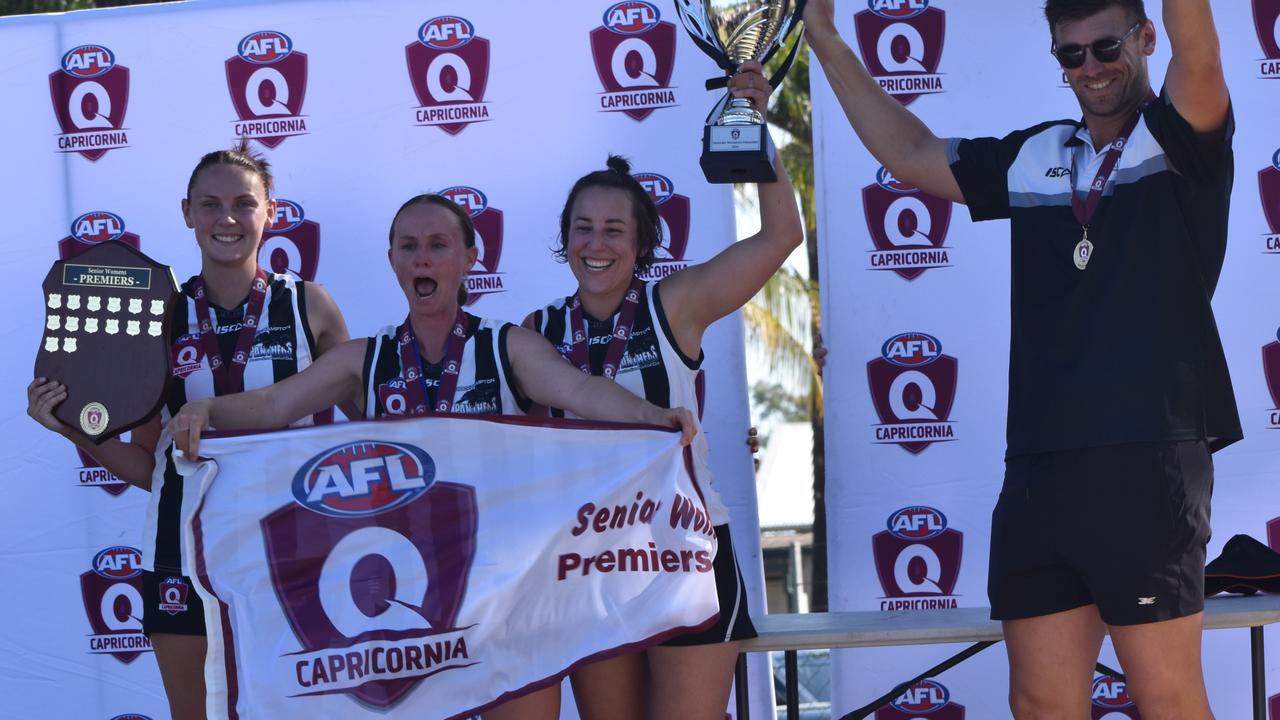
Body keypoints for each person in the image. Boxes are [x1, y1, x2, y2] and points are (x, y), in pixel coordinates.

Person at [804, 0, 1237, 717]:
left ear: (1145, 36)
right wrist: (825, 38)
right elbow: (910, 154)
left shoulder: (1182, 135)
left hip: (1147, 455)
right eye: (1072, 55)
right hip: (1038, 465)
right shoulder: (1039, 154)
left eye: (1107, 46)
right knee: (1039, 701)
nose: (1092, 68)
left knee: (1165, 696)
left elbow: (1201, 51)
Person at [168, 192, 698, 720]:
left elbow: (582, 392)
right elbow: (275, 403)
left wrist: (653, 417)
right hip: (404, 611)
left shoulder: (506, 346)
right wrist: (207, 409)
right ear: (393, 260)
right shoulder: (366, 359)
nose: (422, 258)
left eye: (438, 245)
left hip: (507, 598)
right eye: (409, 246)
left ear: (470, 258)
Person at [27, 142, 352, 720]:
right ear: (186, 213)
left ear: (269, 213)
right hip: (182, 552)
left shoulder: (309, 306)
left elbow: (370, 422)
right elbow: (144, 465)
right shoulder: (157, 318)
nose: (226, 219)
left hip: (293, 547)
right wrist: (70, 430)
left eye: (242, 204)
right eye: (209, 205)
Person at [522, 59, 803, 720]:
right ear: (565, 240)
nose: (596, 243)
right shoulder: (537, 331)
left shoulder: (674, 305)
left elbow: (783, 236)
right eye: (582, 229)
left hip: (684, 555)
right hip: (589, 561)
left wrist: (755, 126)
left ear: (643, 241)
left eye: (613, 229)